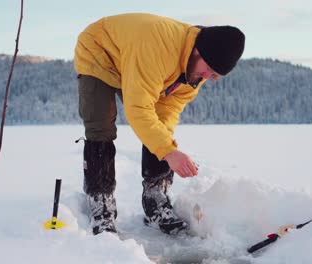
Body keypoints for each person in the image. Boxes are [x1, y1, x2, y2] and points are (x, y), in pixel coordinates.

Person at [74, 13, 245, 235]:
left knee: (161, 129)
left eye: (215, 74)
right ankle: (101, 203)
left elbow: (168, 111)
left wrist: (165, 147)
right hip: (99, 52)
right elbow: (139, 109)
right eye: (209, 69)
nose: (208, 77)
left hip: (134, 59)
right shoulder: (158, 48)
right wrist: (169, 152)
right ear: (197, 51)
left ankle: (155, 197)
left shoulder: (197, 70)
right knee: (101, 126)